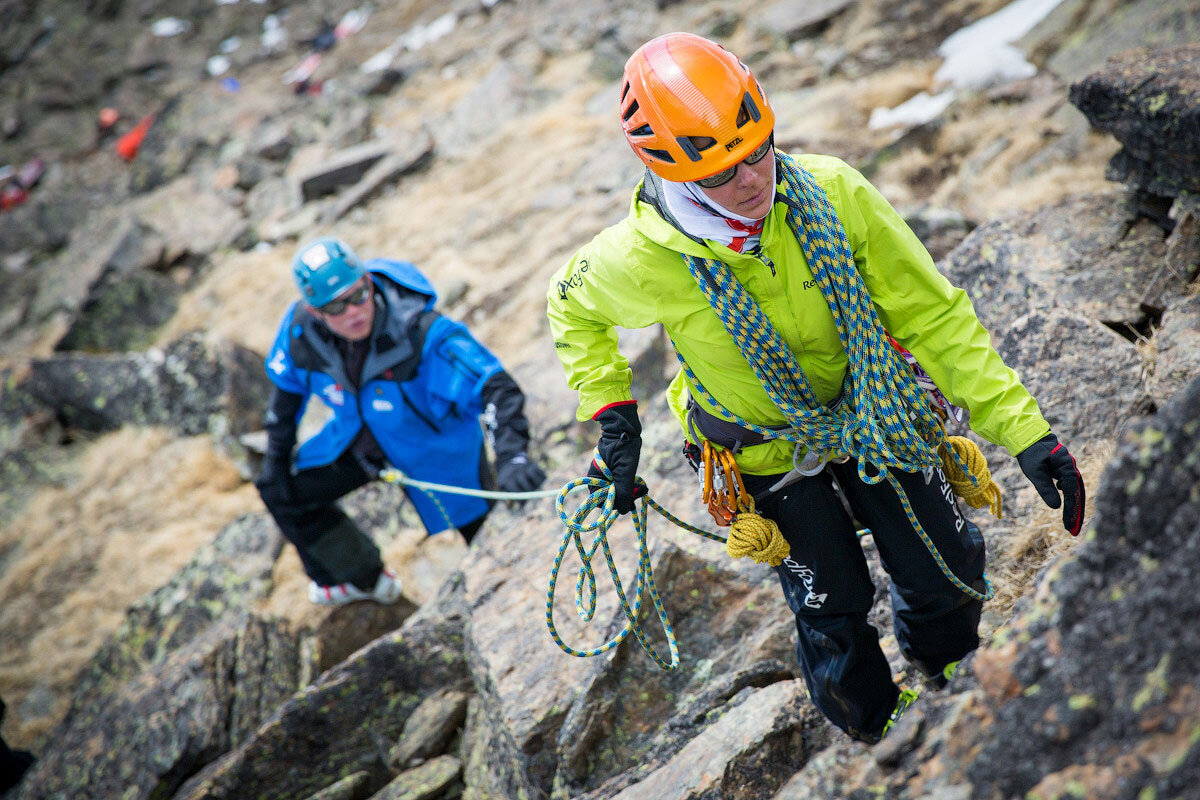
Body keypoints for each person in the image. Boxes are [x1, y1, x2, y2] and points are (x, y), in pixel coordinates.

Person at [546, 32, 1085, 744]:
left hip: (873, 411)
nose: (750, 181)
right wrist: (614, 417)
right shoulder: (639, 257)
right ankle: (875, 727)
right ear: (670, 174)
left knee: (946, 564)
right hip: (762, 451)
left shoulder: (832, 192)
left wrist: (1026, 434)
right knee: (830, 601)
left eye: (758, 151)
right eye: (718, 175)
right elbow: (570, 306)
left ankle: (948, 662)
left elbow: (932, 316)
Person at [258, 236, 546, 606]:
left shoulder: (422, 331)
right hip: (360, 442)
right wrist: (275, 461)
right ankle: (360, 578)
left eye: (358, 295)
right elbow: (285, 396)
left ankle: (519, 606)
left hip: (436, 451)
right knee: (280, 490)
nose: (352, 312)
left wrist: (512, 457)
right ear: (315, 312)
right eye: (335, 307)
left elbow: (496, 388)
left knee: (490, 544)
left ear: (369, 282)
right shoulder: (302, 333)